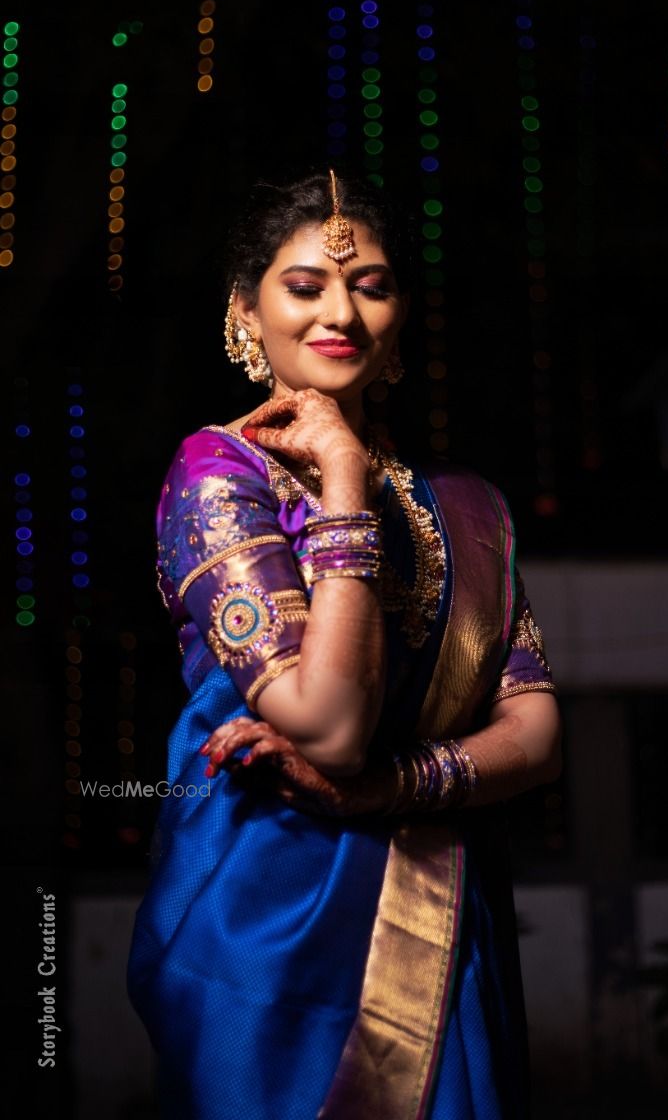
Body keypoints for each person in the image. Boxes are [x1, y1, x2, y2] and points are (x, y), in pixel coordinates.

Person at [127, 170, 562, 1120]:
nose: (341, 311)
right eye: (305, 285)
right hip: (269, 919)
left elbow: (535, 728)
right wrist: (343, 489)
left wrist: (393, 790)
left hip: (438, 909)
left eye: (370, 284)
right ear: (246, 311)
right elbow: (325, 726)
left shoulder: (467, 504)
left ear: (401, 315)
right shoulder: (218, 470)